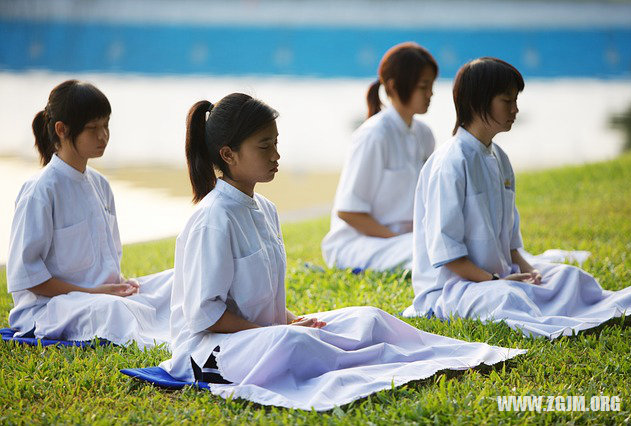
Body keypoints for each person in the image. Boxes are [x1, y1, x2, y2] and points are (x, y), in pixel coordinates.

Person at [159, 93, 524, 411]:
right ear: (229, 154)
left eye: (276, 143)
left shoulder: (265, 209)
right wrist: (275, 328)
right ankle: (372, 361)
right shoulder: (212, 219)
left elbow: (259, 297)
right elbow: (207, 316)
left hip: (262, 335)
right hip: (209, 353)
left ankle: (429, 356)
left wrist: (288, 317)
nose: (277, 155)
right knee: (297, 342)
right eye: (264, 146)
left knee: (368, 317)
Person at [404, 58, 631, 339]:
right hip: (455, 287)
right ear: (479, 102)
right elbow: (448, 257)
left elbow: (511, 246)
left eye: (515, 100)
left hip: (502, 276)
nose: (515, 109)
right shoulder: (450, 163)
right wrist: (497, 280)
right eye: (507, 101)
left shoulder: (499, 158)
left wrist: (531, 272)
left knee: (569, 278)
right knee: (506, 299)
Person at [6, 80, 173, 347]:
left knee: (176, 281)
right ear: (62, 130)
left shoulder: (101, 185)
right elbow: (28, 278)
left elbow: (107, 264)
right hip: (52, 307)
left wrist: (120, 285)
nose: (103, 135)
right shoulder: (40, 191)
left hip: (100, 296)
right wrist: (94, 292)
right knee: (115, 310)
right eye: (93, 128)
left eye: (106, 125)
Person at [322, 42, 437, 271]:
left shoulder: (424, 135)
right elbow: (348, 211)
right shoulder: (373, 135)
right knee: (432, 254)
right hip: (360, 244)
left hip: (404, 240)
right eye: (423, 86)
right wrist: (397, 238)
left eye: (431, 86)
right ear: (394, 87)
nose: (430, 93)